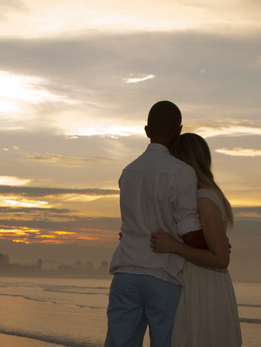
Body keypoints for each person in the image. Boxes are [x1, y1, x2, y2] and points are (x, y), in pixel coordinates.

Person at [106, 101, 205, 347]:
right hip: (163, 273)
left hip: (126, 270)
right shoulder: (181, 172)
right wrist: (212, 246)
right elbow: (189, 229)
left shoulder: (128, 172)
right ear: (178, 130)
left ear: (147, 130)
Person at [151, 132, 242, 346]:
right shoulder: (194, 198)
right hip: (196, 282)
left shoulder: (204, 200)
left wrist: (174, 247)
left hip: (204, 285)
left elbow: (221, 259)